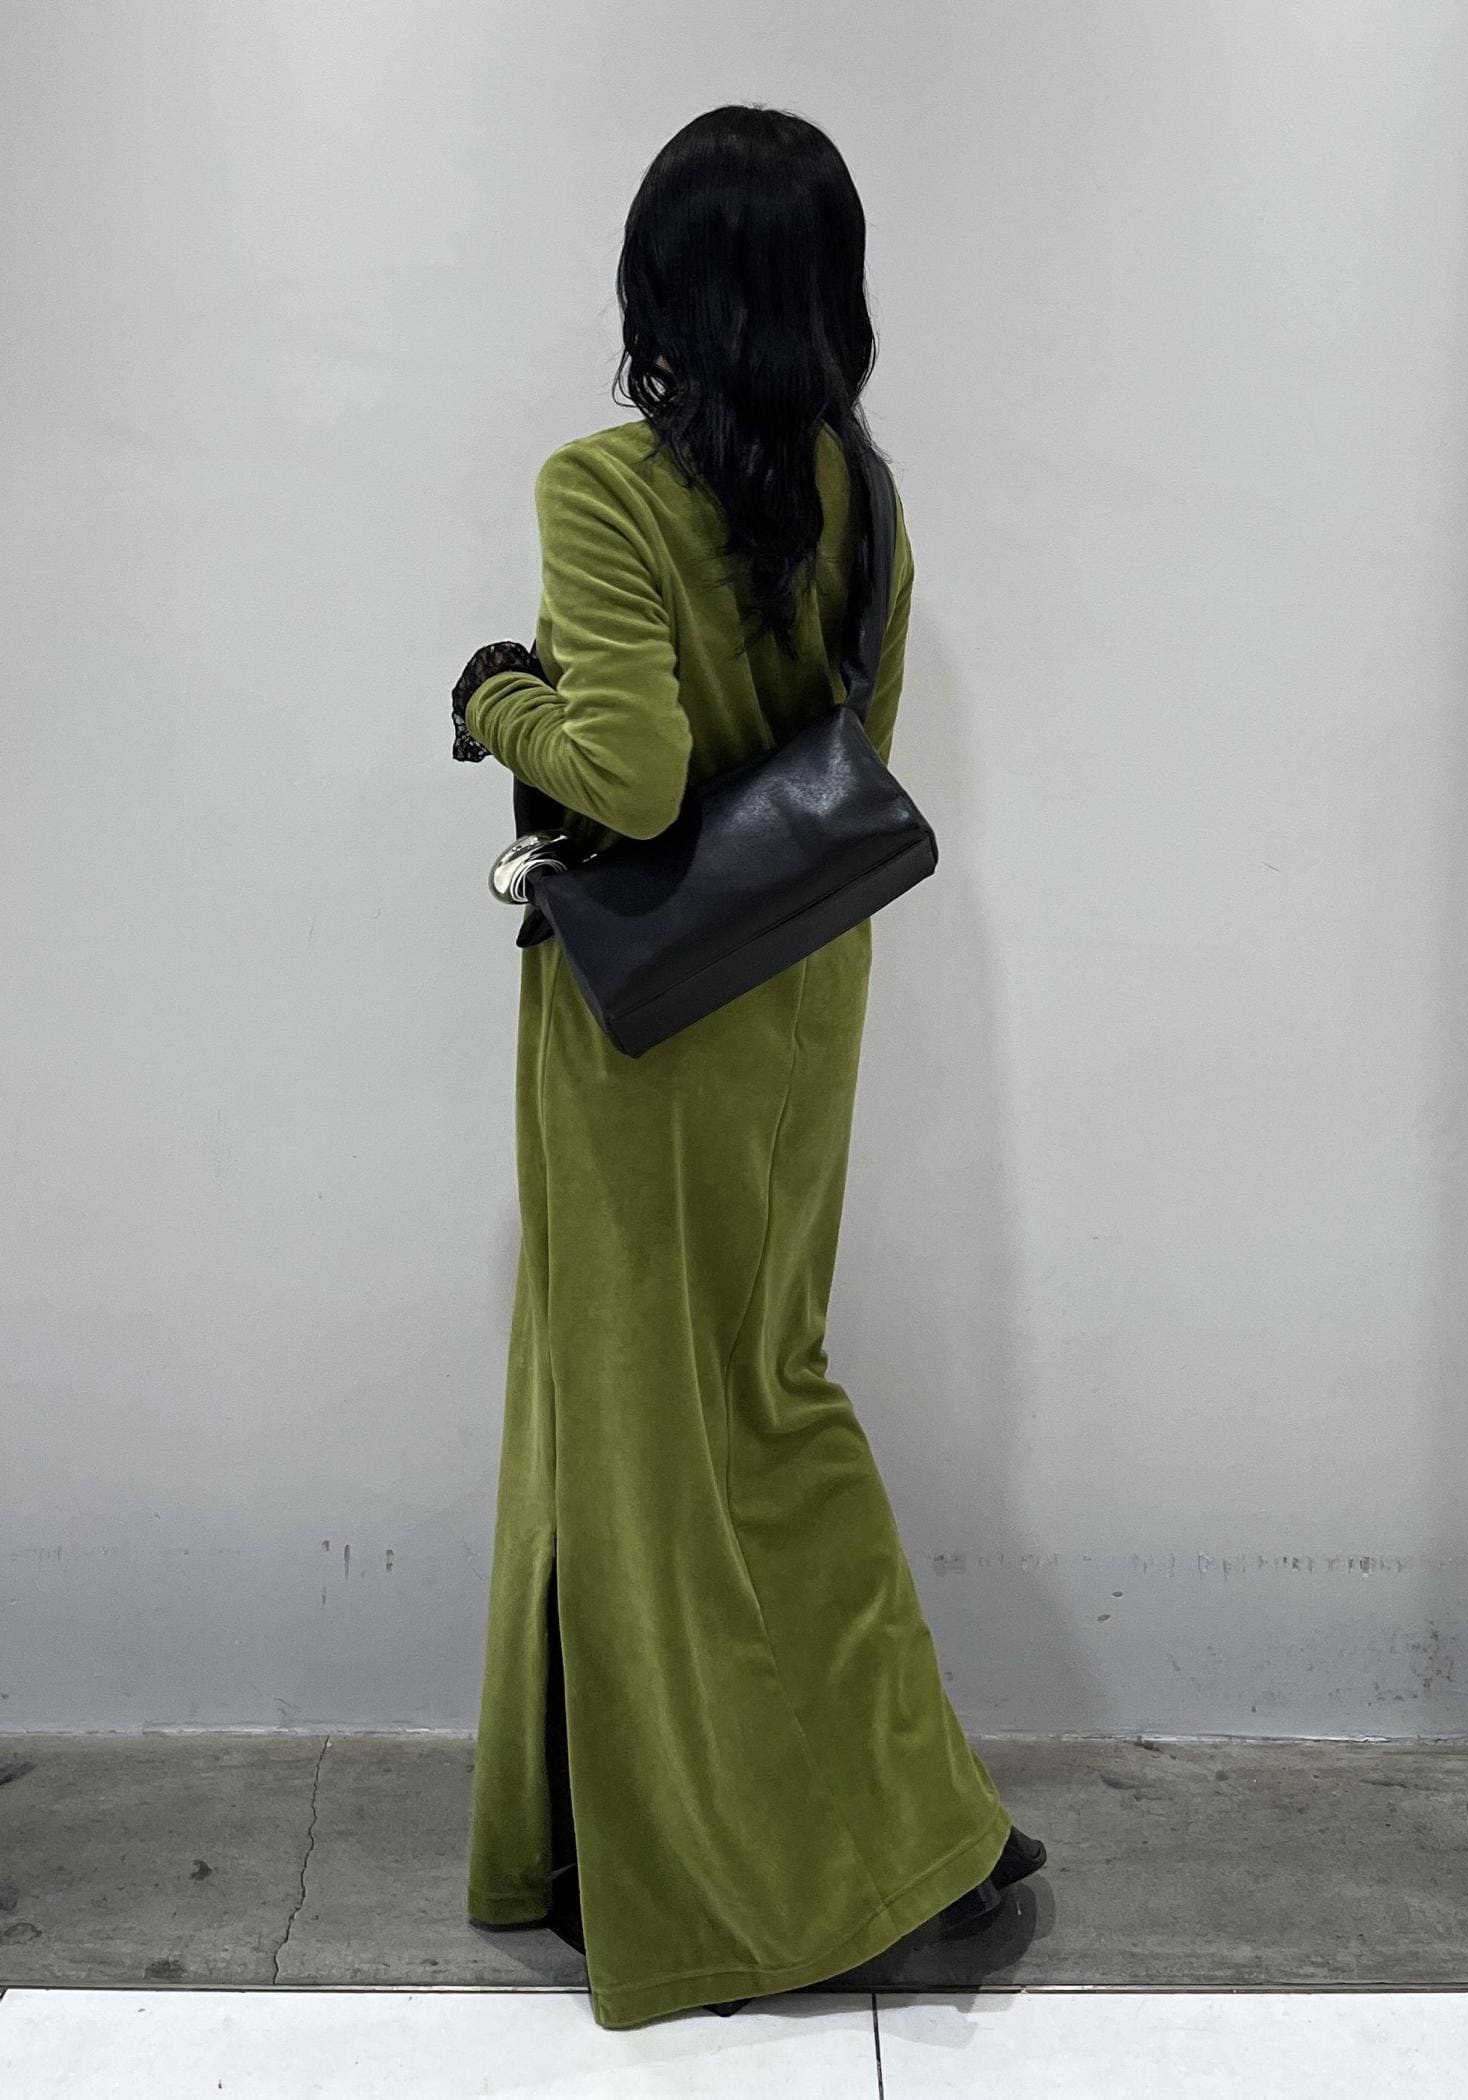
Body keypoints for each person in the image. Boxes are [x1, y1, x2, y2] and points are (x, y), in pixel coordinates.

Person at [457, 102, 1045, 2032]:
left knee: (661, 1438)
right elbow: (856, 746)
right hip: (801, 997)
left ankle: (855, 1849)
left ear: (660, 283)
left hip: (651, 1033)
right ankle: (872, 1814)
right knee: (766, 1395)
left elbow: (624, 779)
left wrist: (494, 700)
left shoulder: (603, 489)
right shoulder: (860, 496)